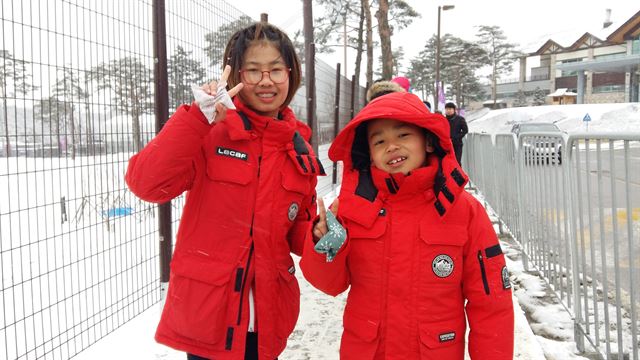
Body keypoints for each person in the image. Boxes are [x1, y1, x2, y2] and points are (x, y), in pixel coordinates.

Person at [125, 22, 324, 360]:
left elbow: (294, 230)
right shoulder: (210, 132)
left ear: (291, 74)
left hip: (268, 318)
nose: (266, 81)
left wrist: (316, 233)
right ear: (234, 76)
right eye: (253, 70)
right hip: (209, 316)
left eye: (276, 70)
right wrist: (195, 119)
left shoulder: (298, 149)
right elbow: (146, 184)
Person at [300, 92, 514, 359]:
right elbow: (330, 284)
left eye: (403, 135)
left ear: (427, 141)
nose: (391, 146)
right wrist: (326, 242)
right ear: (369, 153)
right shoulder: (351, 208)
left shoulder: (464, 210)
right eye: (379, 141)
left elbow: (491, 303)